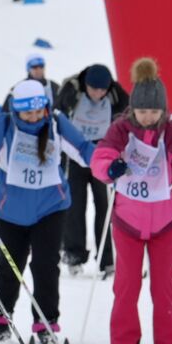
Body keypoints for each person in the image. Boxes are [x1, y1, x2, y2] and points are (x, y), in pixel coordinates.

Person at [90, 58, 172, 344]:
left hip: (166, 223)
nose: (148, 117)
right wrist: (109, 167)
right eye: (143, 111)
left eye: (154, 111)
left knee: (164, 286)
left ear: (163, 110)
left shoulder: (171, 130)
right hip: (127, 222)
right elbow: (101, 157)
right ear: (134, 108)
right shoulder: (121, 128)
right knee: (127, 286)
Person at [0, 79, 94, 344]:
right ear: (16, 110)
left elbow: (83, 150)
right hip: (11, 210)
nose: (34, 117)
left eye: (38, 110)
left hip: (50, 208)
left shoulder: (55, 124)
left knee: (46, 265)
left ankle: (45, 321)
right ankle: (1, 316)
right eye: (27, 112)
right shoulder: (5, 125)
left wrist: (109, 166)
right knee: (11, 266)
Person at [58, 63, 129, 273]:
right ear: (86, 85)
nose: (98, 94)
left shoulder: (116, 94)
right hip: (75, 153)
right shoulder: (72, 89)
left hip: (103, 154)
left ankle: (107, 259)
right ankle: (73, 255)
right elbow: (56, 114)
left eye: (102, 90)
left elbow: (128, 120)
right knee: (74, 206)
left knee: (105, 205)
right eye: (93, 89)